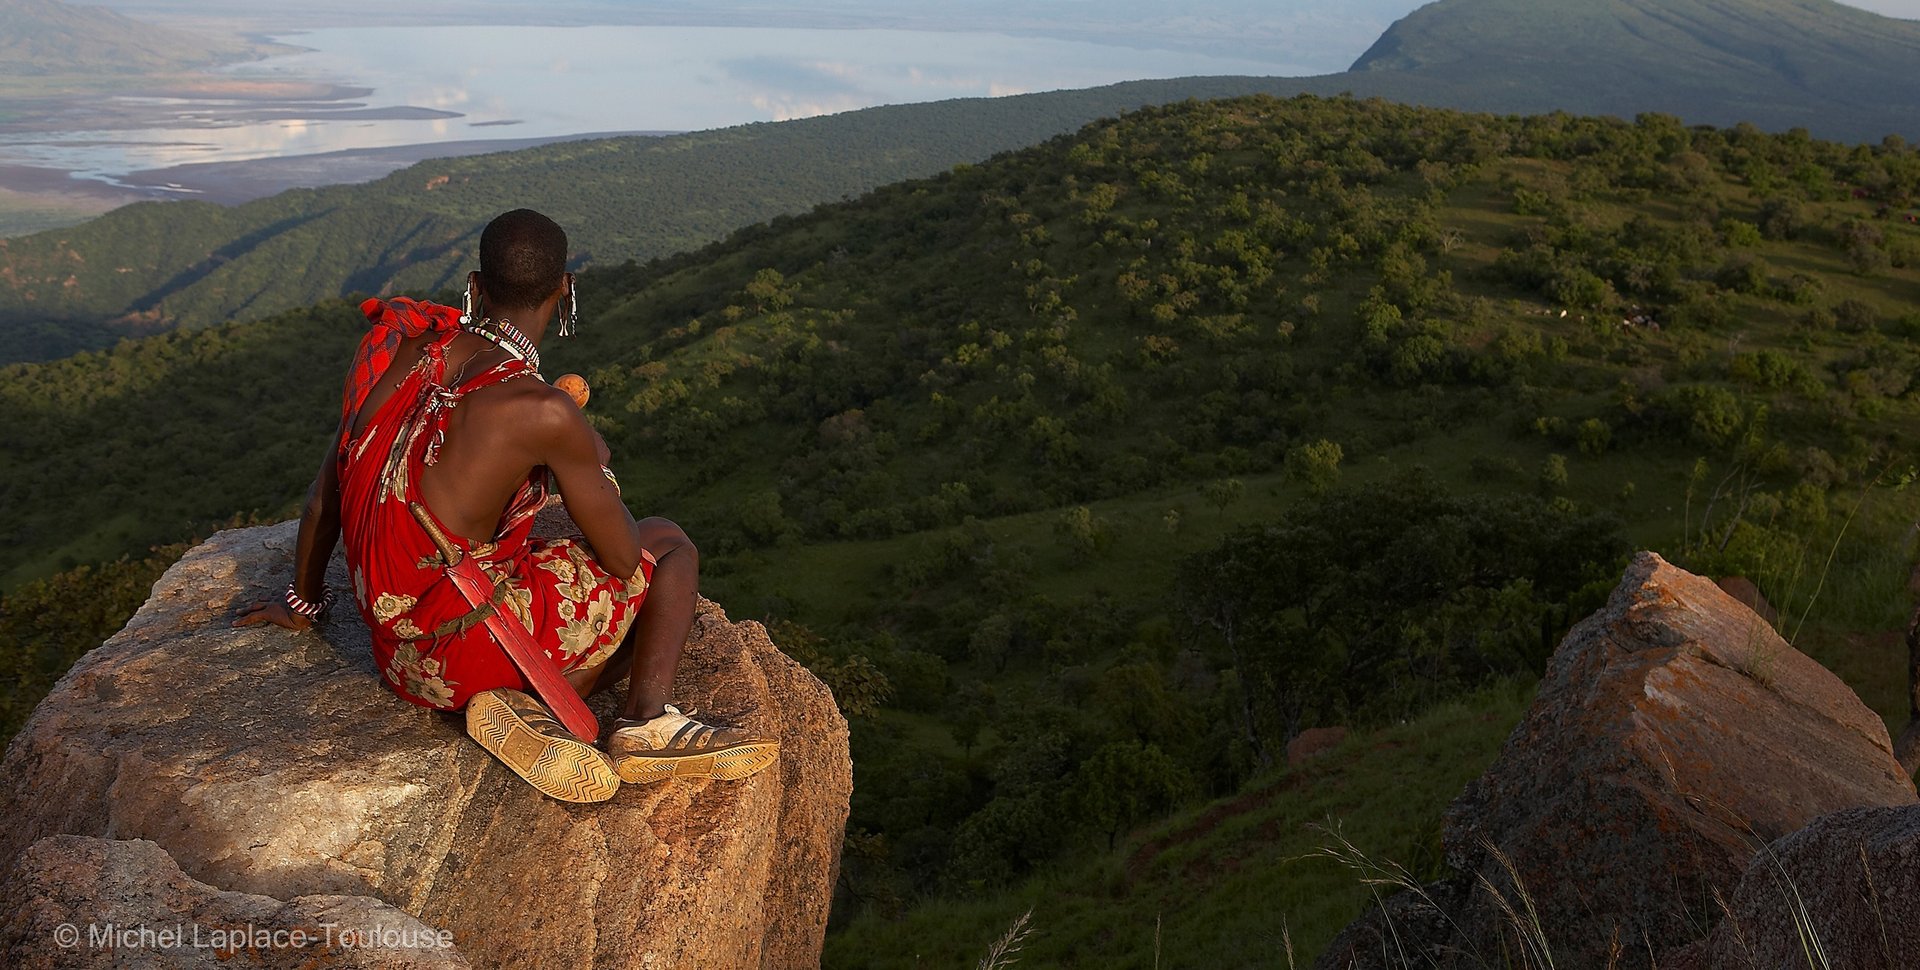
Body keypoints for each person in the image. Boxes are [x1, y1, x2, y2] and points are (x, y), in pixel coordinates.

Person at [235, 208, 777, 802]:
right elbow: (624, 559)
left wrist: (305, 603)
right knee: (669, 547)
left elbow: (323, 500)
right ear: (564, 289)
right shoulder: (544, 411)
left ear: (474, 286)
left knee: (540, 564)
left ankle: (510, 705)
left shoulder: (399, 351)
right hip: (467, 653)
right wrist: (586, 462)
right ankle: (644, 721)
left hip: (398, 658)